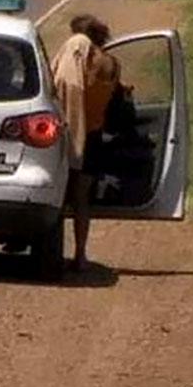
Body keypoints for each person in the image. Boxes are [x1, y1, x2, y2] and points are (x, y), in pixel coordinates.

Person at [51, 14, 120, 271]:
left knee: (57, 195)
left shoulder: (75, 59)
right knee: (82, 199)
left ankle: (50, 249)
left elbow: (63, 85)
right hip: (93, 136)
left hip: (69, 134)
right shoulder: (112, 64)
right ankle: (80, 254)